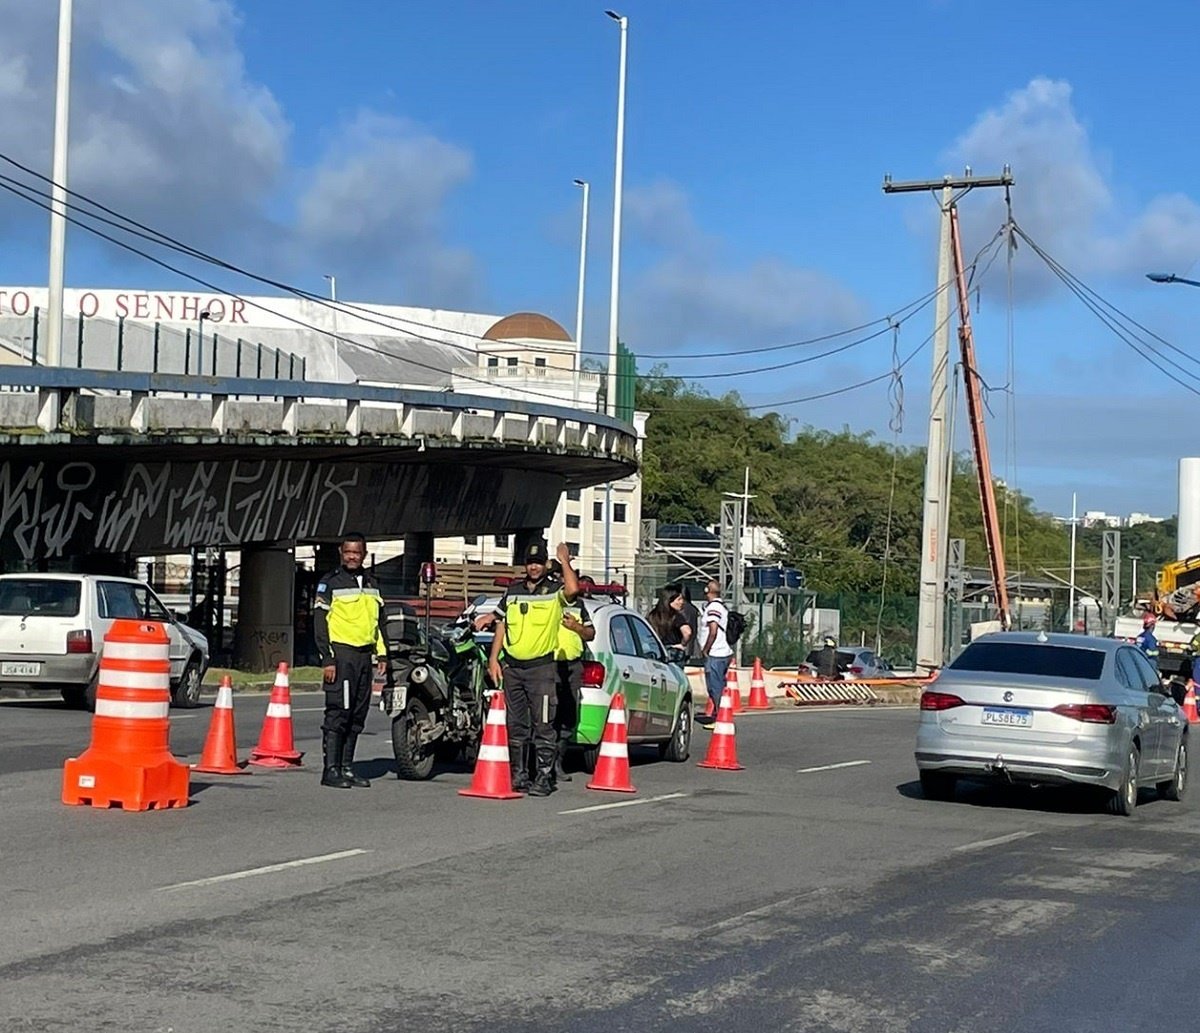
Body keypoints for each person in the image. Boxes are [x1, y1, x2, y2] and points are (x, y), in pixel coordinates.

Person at [488, 540, 579, 796]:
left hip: (541, 669)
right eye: (530, 563)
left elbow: (572, 589)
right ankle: (520, 775)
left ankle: (544, 777)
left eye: (539, 563)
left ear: (546, 564)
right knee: (517, 725)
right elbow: (502, 624)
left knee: (543, 724)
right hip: (514, 668)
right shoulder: (513, 591)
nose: (534, 568)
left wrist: (565, 561)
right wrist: (494, 658)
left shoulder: (553, 590)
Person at [313, 532, 387, 790]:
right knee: (339, 712)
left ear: (364, 554)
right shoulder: (330, 583)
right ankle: (330, 770)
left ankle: (346, 767)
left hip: (364, 656)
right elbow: (320, 623)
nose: (352, 556)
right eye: (348, 552)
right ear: (341, 553)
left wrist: (382, 654)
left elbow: (379, 622)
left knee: (357, 713)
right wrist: (328, 659)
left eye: (357, 552)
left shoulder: (372, 582)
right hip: (341, 656)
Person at [550, 564, 594, 783]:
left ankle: (558, 762)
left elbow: (591, 633)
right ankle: (542, 764)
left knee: (567, 717)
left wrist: (577, 628)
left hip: (572, 666)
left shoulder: (579, 605)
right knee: (546, 716)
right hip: (547, 665)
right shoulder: (550, 601)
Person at [698, 580, 733, 725]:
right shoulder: (722, 606)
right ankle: (721, 713)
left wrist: (706, 649)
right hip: (723, 652)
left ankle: (721, 717)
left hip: (716, 653)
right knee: (719, 685)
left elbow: (712, 630)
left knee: (715, 686)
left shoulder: (714, 608)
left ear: (708, 591)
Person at [647, 586, 692, 657]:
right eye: (679, 599)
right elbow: (687, 632)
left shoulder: (652, 615)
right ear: (669, 600)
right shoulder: (675, 616)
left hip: (655, 650)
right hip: (672, 651)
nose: (682, 602)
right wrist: (682, 644)